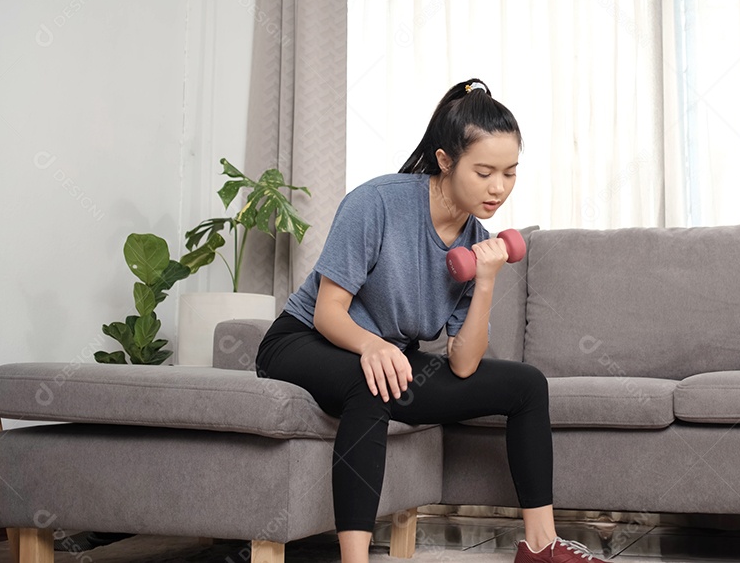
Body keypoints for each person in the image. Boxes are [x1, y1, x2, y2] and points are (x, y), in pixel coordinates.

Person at [255, 79, 610, 563]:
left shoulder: (477, 241)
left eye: (510, 173)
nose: (499, 187)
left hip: (389, 357)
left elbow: (463, 364)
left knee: (527, 385)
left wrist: (486, 280)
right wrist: (373, 346)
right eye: (484, 172)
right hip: (304, 340)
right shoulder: (376, 203)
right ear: (445, 160)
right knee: (372, 382)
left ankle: (541, 546)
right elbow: (327, 311)